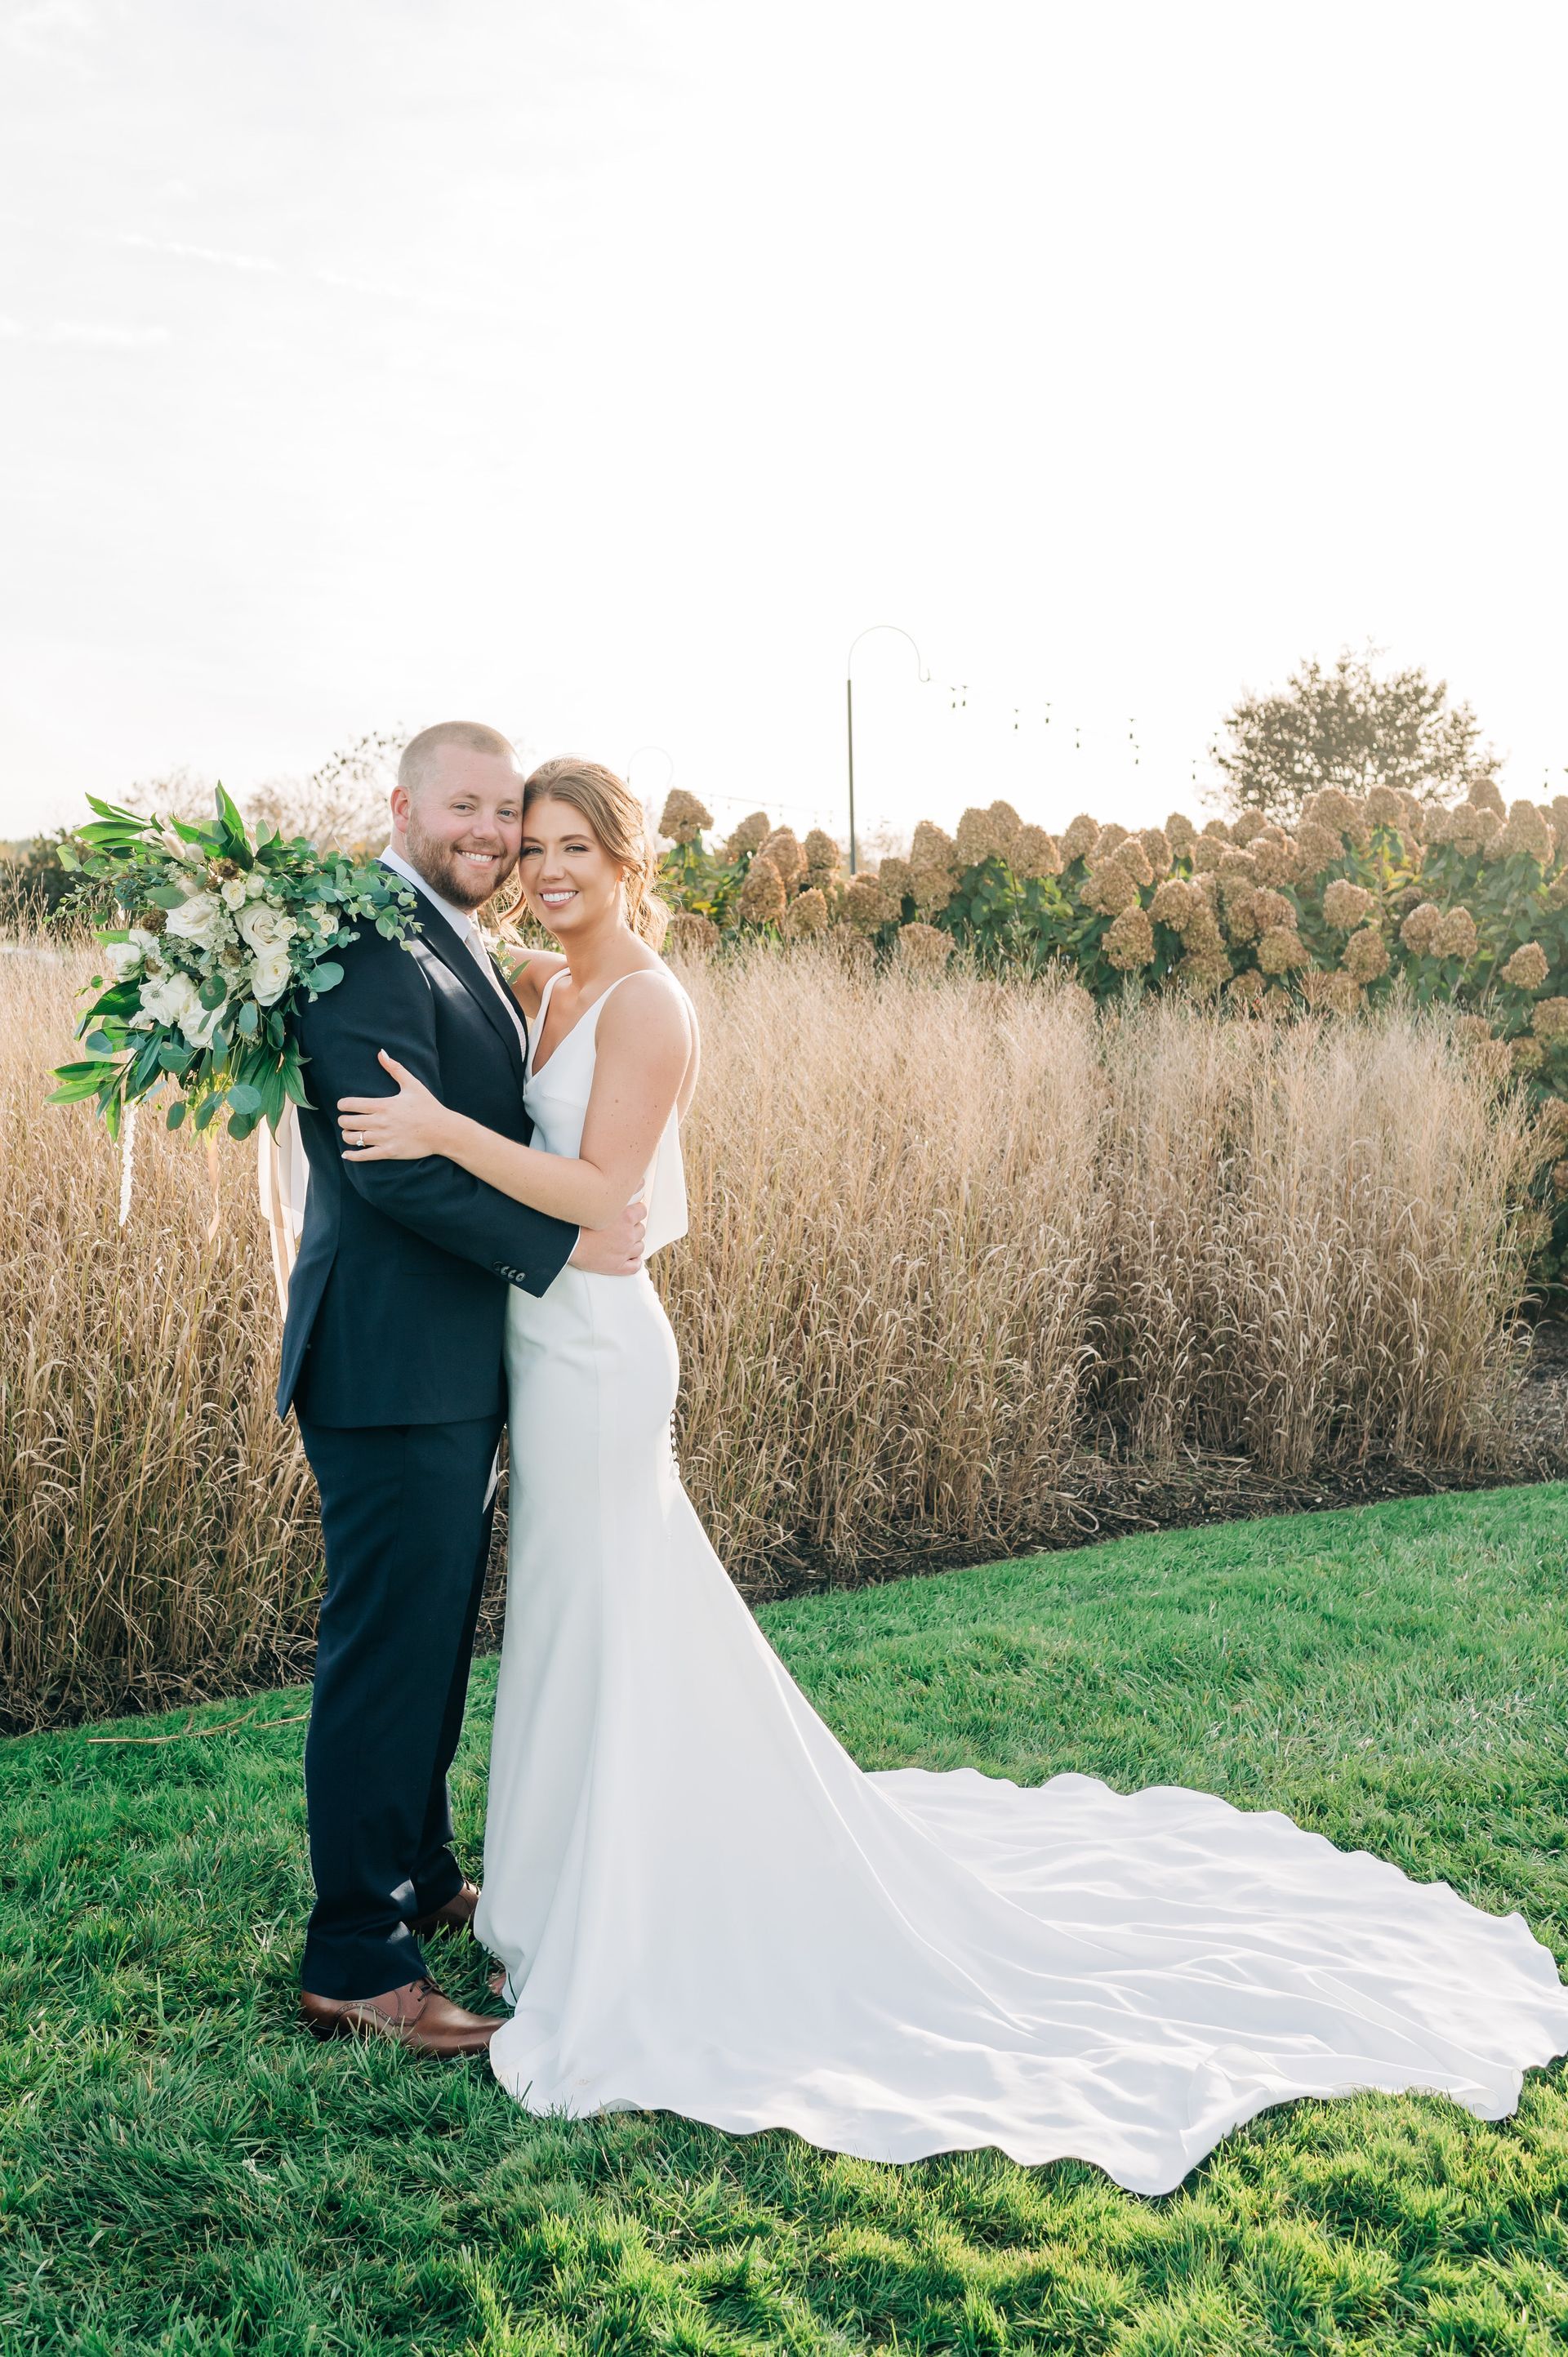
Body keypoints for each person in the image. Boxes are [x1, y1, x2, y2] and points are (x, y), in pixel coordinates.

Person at [336, 755, 1568, 2194]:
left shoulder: (654, 1000)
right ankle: (551, 1884)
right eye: (529, 848)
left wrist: (440, 1134)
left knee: (614, 1603)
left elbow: (611, 1199)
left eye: (571, 850)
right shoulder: (537, 988)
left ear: (628, 858)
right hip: (536, 1345)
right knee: (564, 1613)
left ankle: (640, 1898)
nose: (544, 870)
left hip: (601, 1354)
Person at [279, 721, 645, 2058]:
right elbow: (389, 1163)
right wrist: (560, 1245)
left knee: (433, 1637)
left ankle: (422, 1881)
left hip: (446, 1362)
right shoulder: (366, 936)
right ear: (405, 803)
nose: (495, 833)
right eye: (473, 808)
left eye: (515, 813)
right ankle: (358, 1959)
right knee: (386, 1652)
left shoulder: (453, 936)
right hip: (386, 1364)